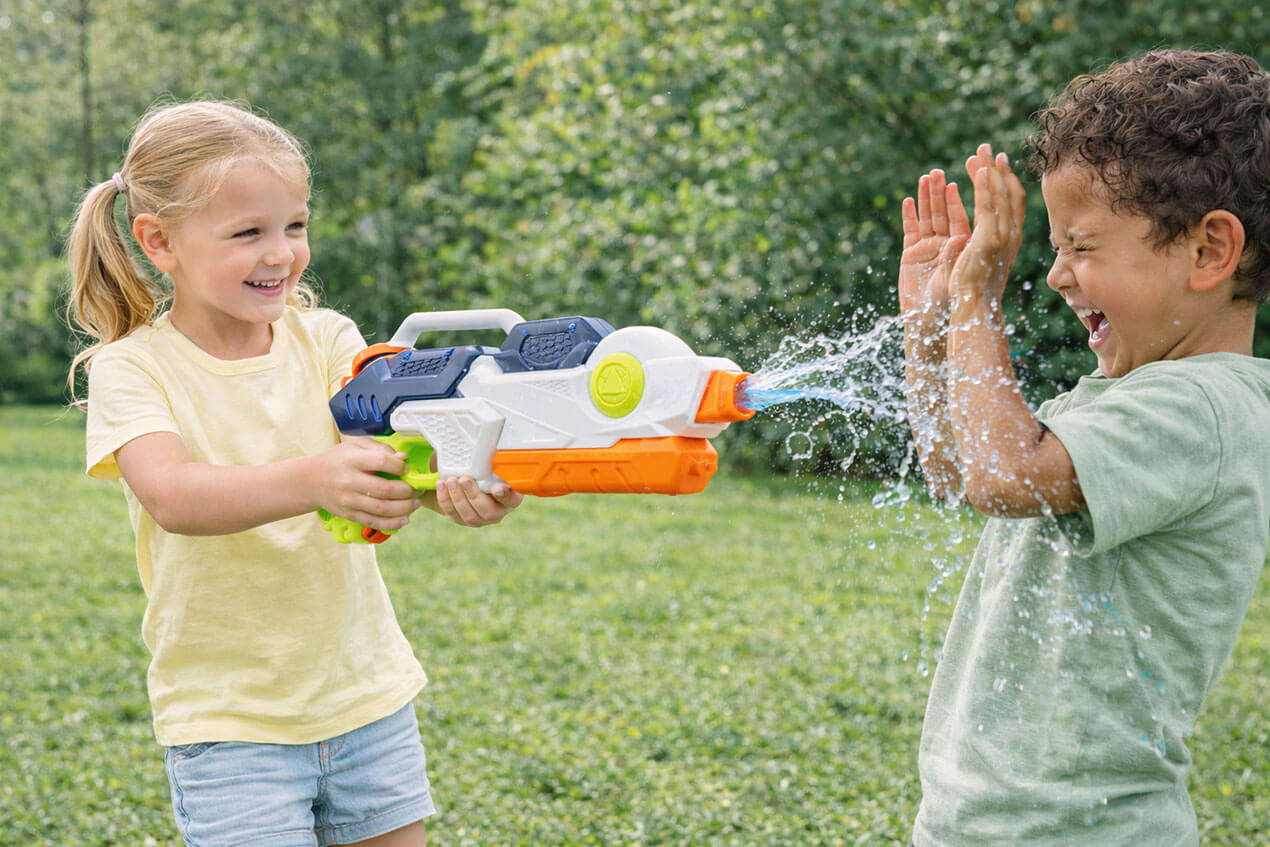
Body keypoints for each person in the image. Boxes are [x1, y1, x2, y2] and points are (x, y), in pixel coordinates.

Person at [67, 100, 523, 846]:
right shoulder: (135, 367)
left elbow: (387, 454)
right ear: (160, 241)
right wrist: (313, 478)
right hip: (231, 718)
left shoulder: (329, 340)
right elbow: (174, 495)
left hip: (365, 694)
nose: (280, 253)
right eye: (248, 232)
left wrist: (460, 483)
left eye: (295, 225)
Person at [898, 50, 1270, 845]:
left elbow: (1005, 479)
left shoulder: (1203, 408)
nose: (1059, 275)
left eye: (1083, 246)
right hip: (988, 821)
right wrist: (929, 333)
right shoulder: (1125, 396)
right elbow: (959, 472)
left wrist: (976, 299)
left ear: (1209, 251)